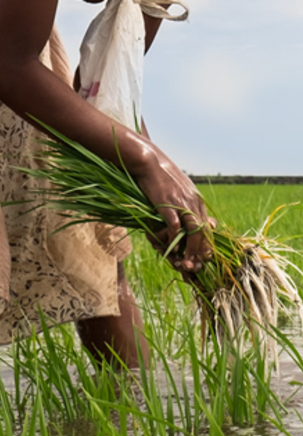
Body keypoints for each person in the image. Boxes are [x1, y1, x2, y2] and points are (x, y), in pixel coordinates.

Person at [0, 0, 215, 368]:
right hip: (13, 56)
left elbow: (106, 86)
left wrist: (147, 191)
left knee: (97, 247)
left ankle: (134, 415)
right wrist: (145, 160)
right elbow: (8, 62)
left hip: (19, 53)